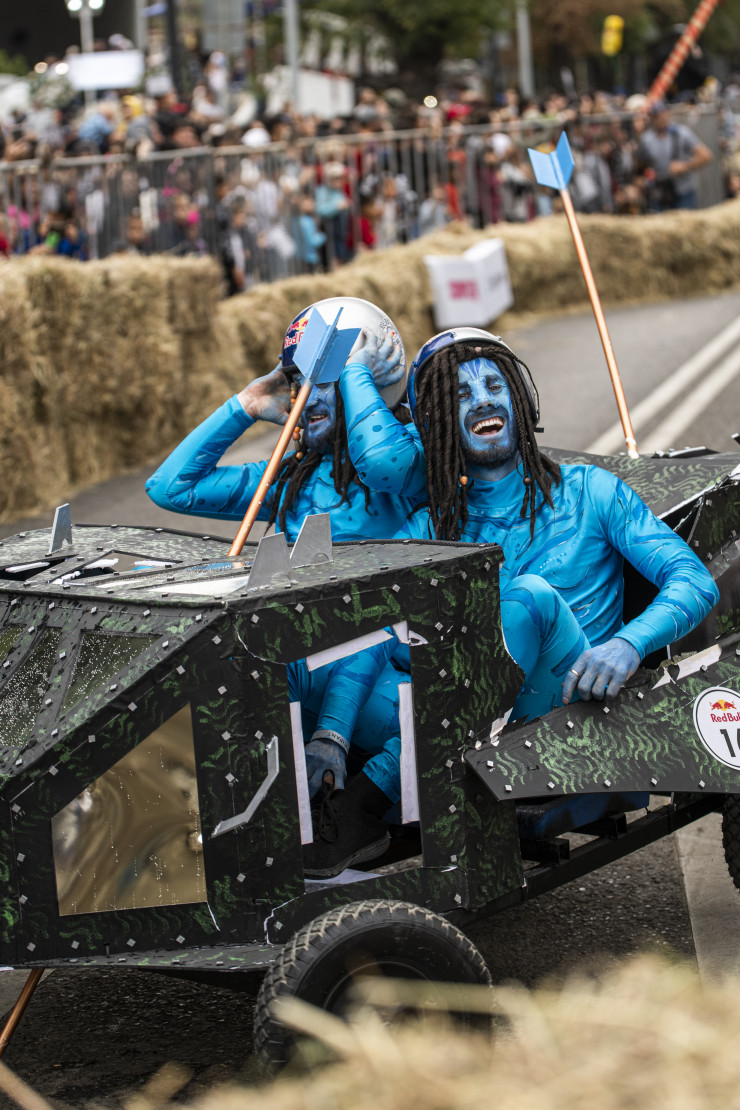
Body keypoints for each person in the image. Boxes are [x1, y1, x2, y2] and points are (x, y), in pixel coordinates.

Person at [301, 327, 720, 876]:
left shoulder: (592, 491)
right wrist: (331, 732)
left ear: (517, 402)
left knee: (528, 596)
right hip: (457, 708)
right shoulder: (431, 524)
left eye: (495, 385)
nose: (484, 400)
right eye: (461, 394)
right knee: (297, 658)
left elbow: (694, 580)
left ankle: (364, 806)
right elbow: (378, 634)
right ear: (435, 425)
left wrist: (627, 644)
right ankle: (289, 807)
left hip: (564, 710)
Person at [145, 297, 416, 542]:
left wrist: (356, 375)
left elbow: (381, 462)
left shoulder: (418, 458)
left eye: (322, 382)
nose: (306, 400)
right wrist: (246, 405)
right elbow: (169, 489)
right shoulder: (292, 479)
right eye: (298, 384)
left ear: (373, 379)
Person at [636, 100, 712, 211]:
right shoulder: (646, 139)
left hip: (684, 192)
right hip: (660, 193)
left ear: (667, 113)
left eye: (661, 114)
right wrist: (643, 178)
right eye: (655, 115)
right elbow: (640, 164)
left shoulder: (682, 133)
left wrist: (685, 166)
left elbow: (706, 156)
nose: (658, 118)